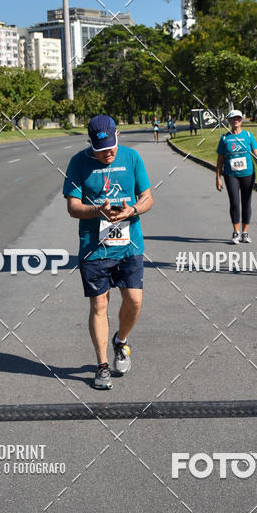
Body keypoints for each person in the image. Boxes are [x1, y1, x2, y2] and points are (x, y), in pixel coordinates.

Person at [63, 114, 153, 390]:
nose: (108, 153)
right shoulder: (78, 163)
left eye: (111, 146)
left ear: (117, 138)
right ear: (90, 143)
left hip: (129, 244)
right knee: (99, 305)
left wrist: (133, 209)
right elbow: (72, 207)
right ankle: (101, 365)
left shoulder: (132, 158)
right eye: (101, 150)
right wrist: (96, 210)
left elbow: (148, 197)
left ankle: (121, 341)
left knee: (134, 300)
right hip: (94, 247)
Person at [216, 110, 257, 244]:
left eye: (238, 118)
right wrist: (218, 178)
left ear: (241, 120)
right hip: (230, 174)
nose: (236, 120)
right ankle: (236, 232)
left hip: (248, 174)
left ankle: (245, 233)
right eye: (233, 118)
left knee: (246, 202)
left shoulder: (248, 136)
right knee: (234, 202)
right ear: (229, 121)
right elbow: (220, 160)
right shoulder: (225, 138)